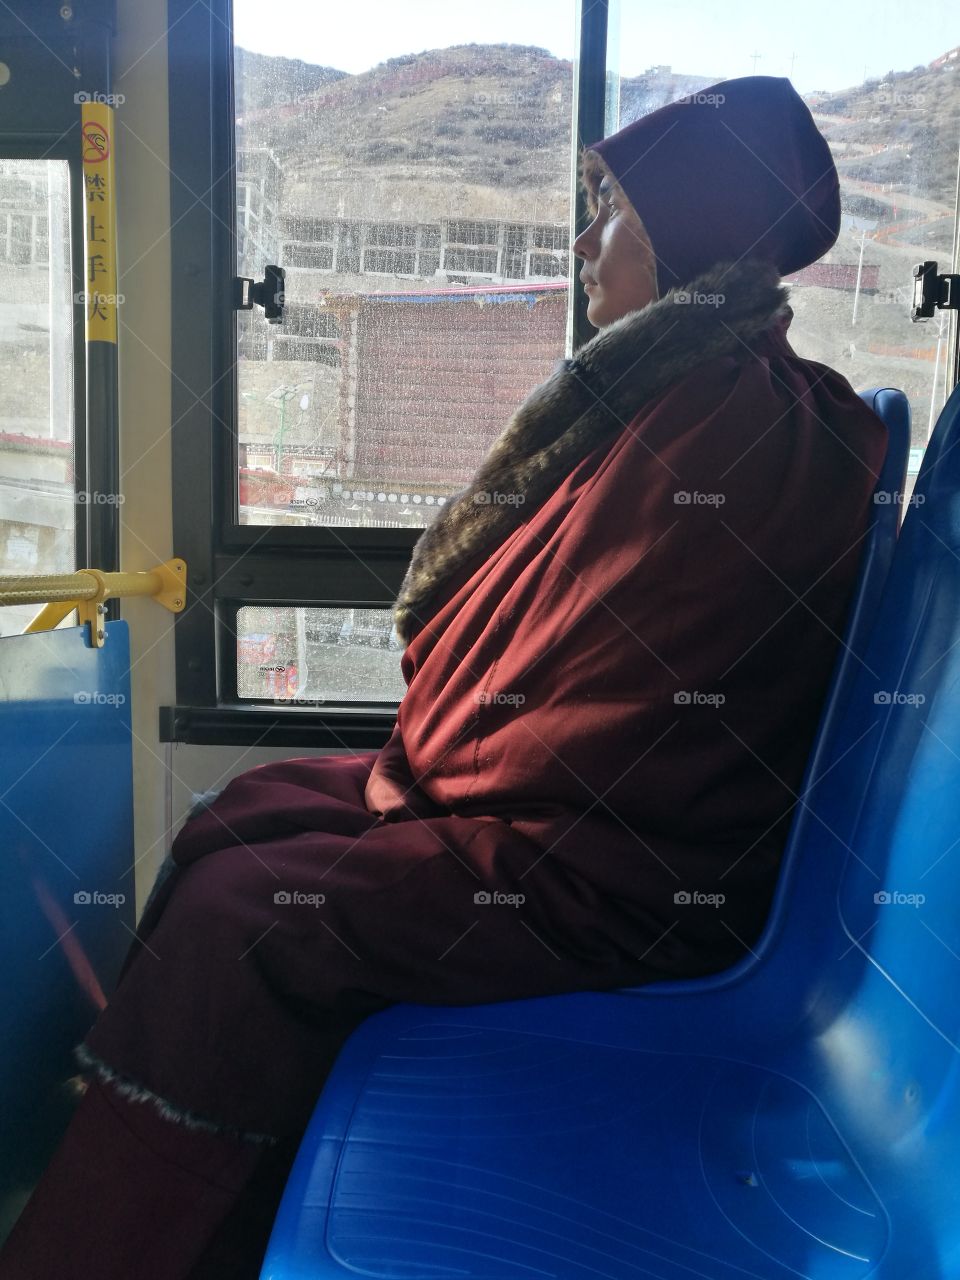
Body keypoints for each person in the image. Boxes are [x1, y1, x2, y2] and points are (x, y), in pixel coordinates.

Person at [0, 76, 887, 1279]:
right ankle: (223, 1204)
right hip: (571, 822)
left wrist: (424, 776)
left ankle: (113, 1253)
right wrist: (425, 767)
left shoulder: (721, 419)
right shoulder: (690, 385)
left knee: (244, 920)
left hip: (621, 877)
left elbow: (593, 708)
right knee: (237, 815)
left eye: (610, 211)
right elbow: (556, 655)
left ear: (695, 230)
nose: (584, 244)